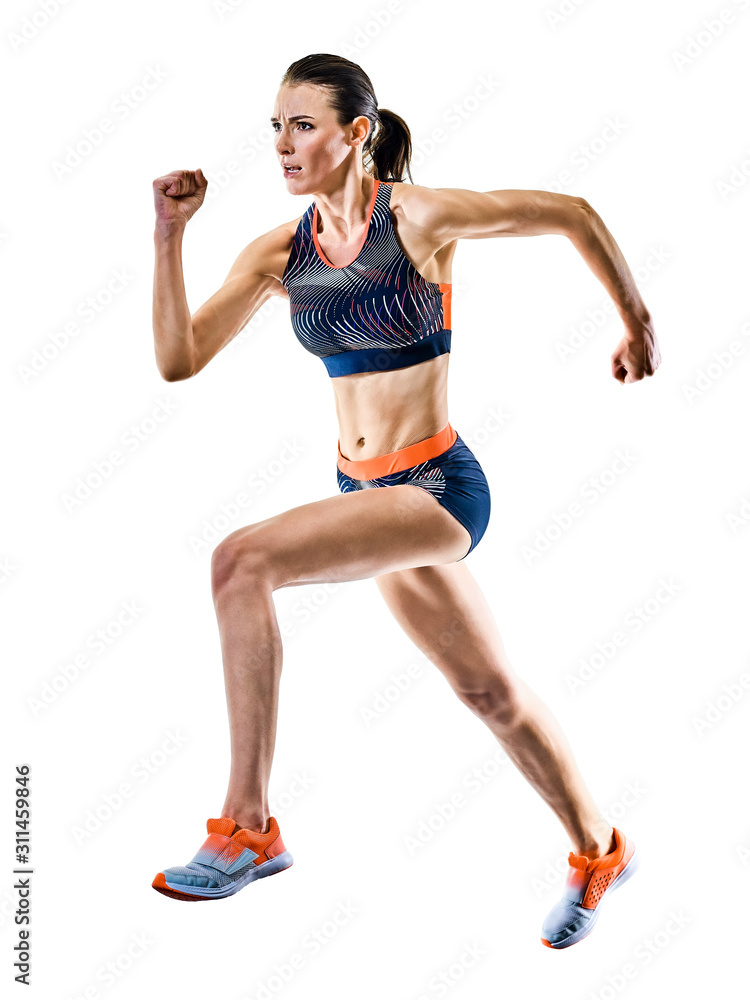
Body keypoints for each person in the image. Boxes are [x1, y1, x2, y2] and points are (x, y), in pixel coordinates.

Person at [149, 53, 661, 948]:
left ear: (358, 133)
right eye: (274, 125)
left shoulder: (419, 219)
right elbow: (179, 357)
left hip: (437, 489)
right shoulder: (281, 251)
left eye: (303, 125)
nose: (283, 143)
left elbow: (570, 214)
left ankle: (247, 827)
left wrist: (635, 320)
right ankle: (599, 850)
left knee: (241, 560)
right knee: (490, 692)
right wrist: (168, 235)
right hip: (366, 493)